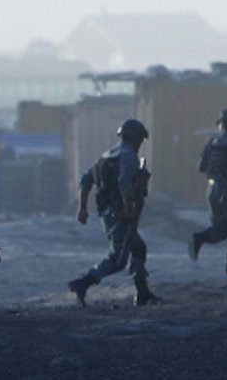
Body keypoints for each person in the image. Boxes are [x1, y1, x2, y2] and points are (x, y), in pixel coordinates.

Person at [68, 119, 160, 307]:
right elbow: (124, 183)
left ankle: (142, 292)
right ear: (136, 138)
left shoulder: (106, 156)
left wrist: (82, 208)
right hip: (120, 214)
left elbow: (86, 180)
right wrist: (128, 208)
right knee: (117, 259)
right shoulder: (129, 157)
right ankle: (83, 283)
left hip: (108, 211)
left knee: (138, 247)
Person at [188, 109, 227, 274]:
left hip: (211, 190)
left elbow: (201, 167)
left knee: (223, 228)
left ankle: (200, 238)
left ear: (221, 124)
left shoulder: (211, 144)